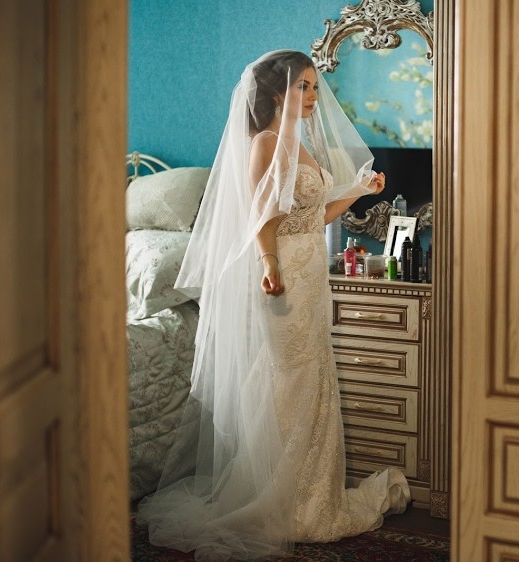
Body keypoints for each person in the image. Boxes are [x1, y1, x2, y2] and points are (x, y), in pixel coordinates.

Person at [137, 50, 410, 561]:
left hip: (310, 271)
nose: (313, 97)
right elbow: (261, 216)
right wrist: (269, 263)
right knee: (290, 378)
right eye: (303, 87)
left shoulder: (299, 144)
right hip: (282, 274)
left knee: (312, 377)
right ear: (276, 93)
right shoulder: (264, 142)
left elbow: (313, 216)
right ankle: (283, 501)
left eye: (314, 87)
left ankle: (312, 498)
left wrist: (358, 189)